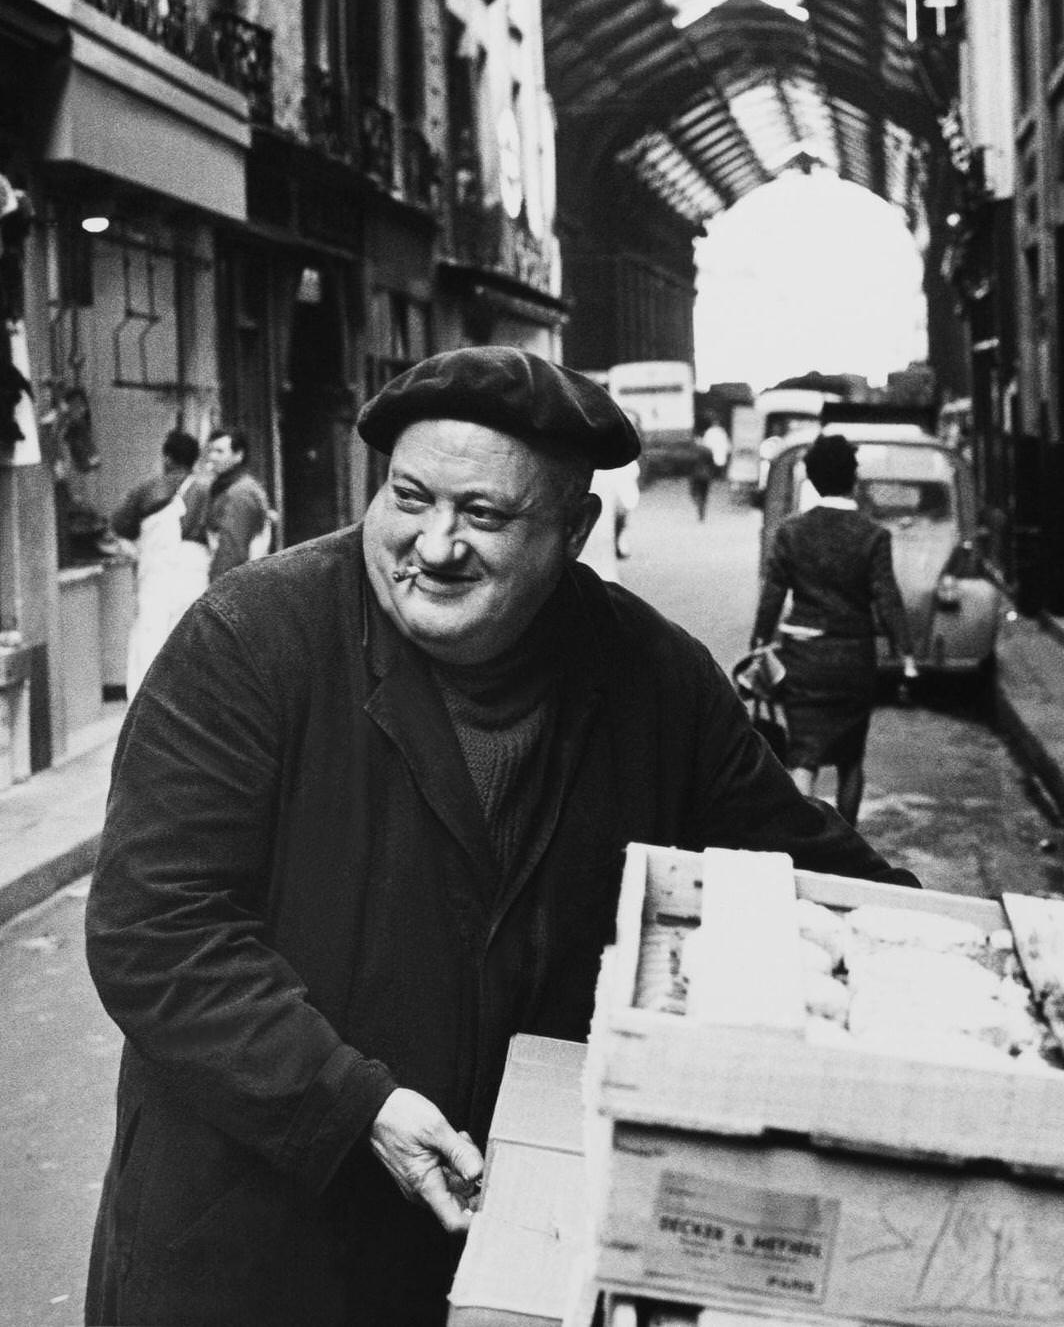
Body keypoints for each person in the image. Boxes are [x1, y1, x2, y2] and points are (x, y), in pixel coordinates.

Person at [85, 347, 917, 1327]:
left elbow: (804, 868)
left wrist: (989, 949)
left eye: (483, 514)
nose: (434, 546)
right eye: (408, 498)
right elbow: (157, 931)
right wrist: (352, 1105)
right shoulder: (251, 643)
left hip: (500, 1257)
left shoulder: (654, 680)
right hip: (254, 1252)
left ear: (574, 530)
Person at [751, 431, 918, 828]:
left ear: (811, 478)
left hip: (802, 658)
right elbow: (886, 596)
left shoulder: (790, 532)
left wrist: (759, 644)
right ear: (853, 478)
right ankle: (846, 844)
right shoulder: (873, 535)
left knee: (802, 754)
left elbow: (773, 595)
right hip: (853, 660)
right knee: (850, 758)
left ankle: (801, 841)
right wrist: (906, 654)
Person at [110, 430, 211, 697]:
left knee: (149, 639)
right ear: (195, 459)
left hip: (155, 572)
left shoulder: (149, 489)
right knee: (190, 638)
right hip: (195, 572)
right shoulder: (207, 490)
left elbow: (120, 525)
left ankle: (147, 707)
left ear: (166, 458)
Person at [205, 426, 273, 577]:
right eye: (210, 451)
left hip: (235, 579)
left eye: (219, 451)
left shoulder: (241, 492)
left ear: (238, 455)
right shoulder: (230, 487)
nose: (212, 457)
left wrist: (218, 586)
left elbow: (232, 549)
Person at [687, 425, 721, 521]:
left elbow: (689, 462)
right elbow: (712, 463)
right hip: (706, 475)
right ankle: (702, 513)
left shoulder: (693, 450)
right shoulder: (708, 450)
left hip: (695, 475)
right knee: (704, 494)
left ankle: (698, 501)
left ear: (697, 439)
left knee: (694, 492)